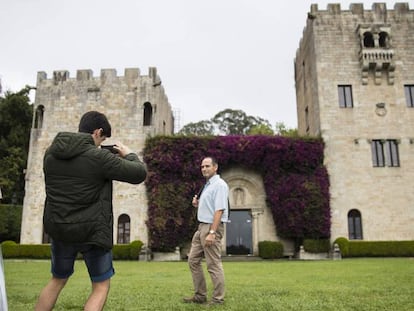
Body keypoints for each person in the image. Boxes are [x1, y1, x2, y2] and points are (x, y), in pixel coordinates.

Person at [35, 111, 147, 311]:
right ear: (98, 132)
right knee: (100, 285)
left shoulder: (50, 153)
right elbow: (139, 173)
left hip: (60, 228)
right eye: (103, 138)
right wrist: (128, 154)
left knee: (57, 280)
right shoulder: (99, 157)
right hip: (92, 231)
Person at [183, 156, 229, 306]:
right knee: (193, 260)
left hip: (211, 227)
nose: (204, 169)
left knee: (213, 264)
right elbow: (210, 206)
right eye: (202, 166)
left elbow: (219, 210)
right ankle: (200, 295)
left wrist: (212, 233)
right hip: (201, 227)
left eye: (207, 166)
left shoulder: (220, 185)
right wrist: (197, 203)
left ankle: (217, 299)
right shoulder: (207, 185)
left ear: (215, 167)